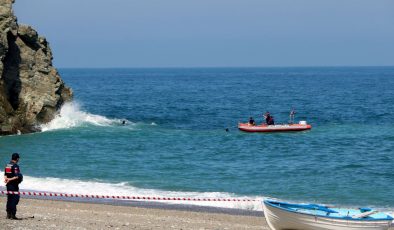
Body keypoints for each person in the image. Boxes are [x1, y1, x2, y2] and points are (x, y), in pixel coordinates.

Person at [4, 153, 23, 220]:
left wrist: (6, 179)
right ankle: (13, 215)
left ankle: (8, 214)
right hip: (13, 185)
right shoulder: (15, 166)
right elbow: (16, 176)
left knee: (9, 199)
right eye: (18, 158)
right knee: (15, 199)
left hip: (8, 185)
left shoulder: (8, 165)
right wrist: (9, 179)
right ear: (17, 158)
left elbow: (5, 175)